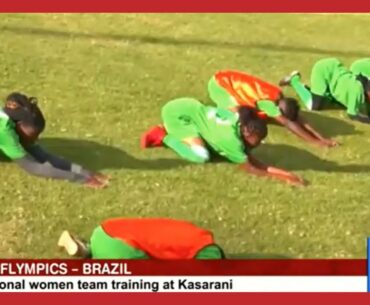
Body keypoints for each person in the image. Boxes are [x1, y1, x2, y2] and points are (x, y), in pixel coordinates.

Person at [141, 97, 304, 185]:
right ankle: (163, 135)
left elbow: (254, 160)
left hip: (188, 105)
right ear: (247, 132)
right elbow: (253, 168)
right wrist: (283, 178)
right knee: (201, 156)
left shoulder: (238, 121)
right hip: (178, 115)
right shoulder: (231, 141)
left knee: (212, 150)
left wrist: (287, 174)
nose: (259, 143)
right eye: (258, 139)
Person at [0, 92, 109, 188]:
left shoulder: (13, 120)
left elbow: (45, 156)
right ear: (17, 125)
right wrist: (82, 179)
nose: (35, 139)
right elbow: (34, 167)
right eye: (32, 134)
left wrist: (84, 171)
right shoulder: (4, 131)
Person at [208, 70, 336, 148]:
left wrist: (320, 137)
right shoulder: (268, 103)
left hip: (227, 77)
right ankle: (211, 126)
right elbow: (288, 123)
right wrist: (314, 142)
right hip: (219, 85)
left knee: (256, 114)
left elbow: (297, 118)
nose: (278, 116)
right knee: (236, 116)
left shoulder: (278, 95)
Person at [58, 218, 225, 259]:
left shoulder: (198, 235)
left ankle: (85, 247)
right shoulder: (207, 253)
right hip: (121, 250)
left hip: (105, 231)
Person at [279, 58, 370, 124]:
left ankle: (324, 93)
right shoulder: (357, 91)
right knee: (313, 105)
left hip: (336, 74)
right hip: (324, 71)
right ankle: (294, 80)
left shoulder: (362, 90)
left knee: (334, 103)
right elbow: (352, 114)